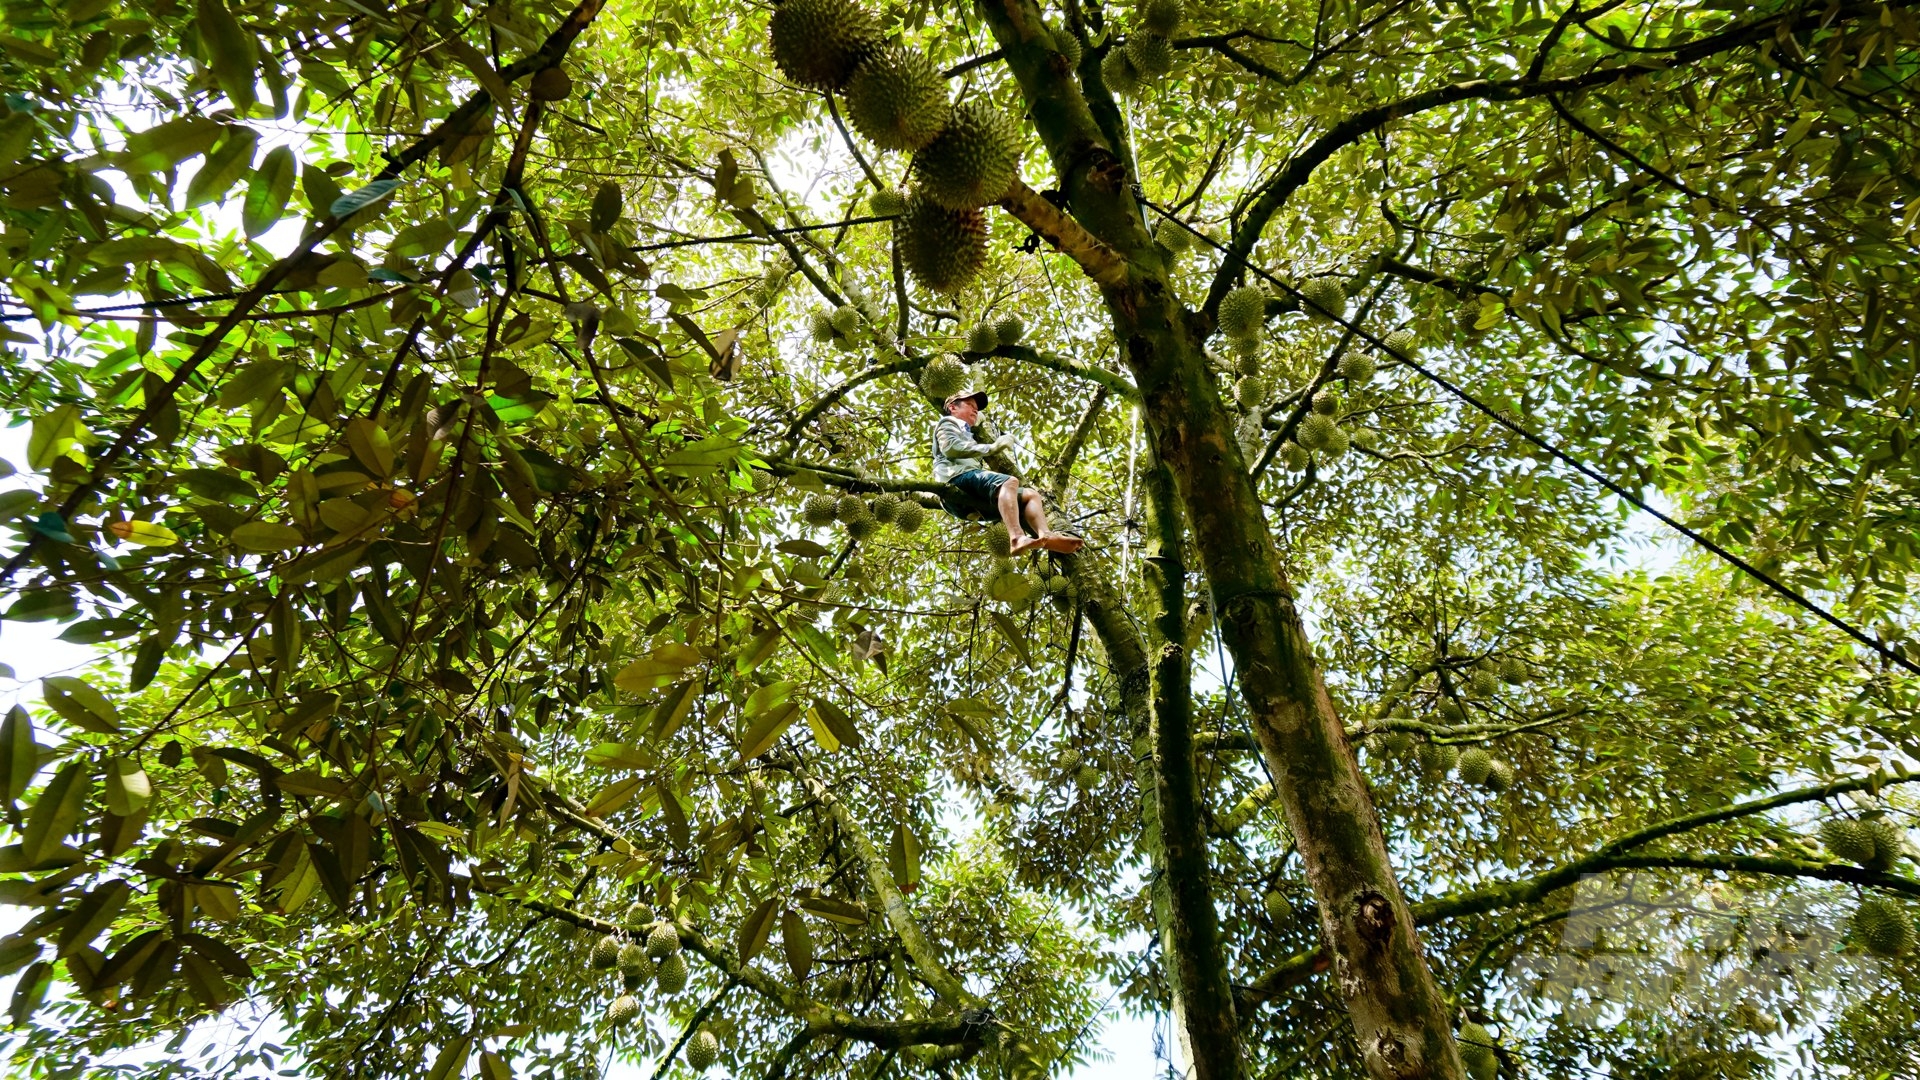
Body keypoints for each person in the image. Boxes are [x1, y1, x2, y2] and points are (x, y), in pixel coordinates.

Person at [931, 388, 1083, 554]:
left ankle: (1046, 535)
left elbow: (973, 426)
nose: (975, 409)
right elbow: (951, 448)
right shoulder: (948, 423)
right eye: (969, 405)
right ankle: (1017, 537)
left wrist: (980, 421)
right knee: (1009, 481)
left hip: (973, 503)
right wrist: (993, 447)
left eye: (977, 408)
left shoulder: (967, 431)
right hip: (955, 481)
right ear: (953, 408)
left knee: (1031, 495)